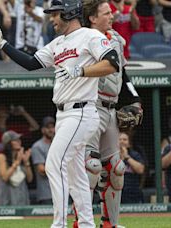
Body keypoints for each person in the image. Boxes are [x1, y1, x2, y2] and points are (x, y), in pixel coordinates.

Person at [0, 0, 120, 225]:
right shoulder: (57, 43)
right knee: (76, 174)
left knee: (53, 164)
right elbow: (30, 63)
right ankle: (86, 223)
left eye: (55, 14)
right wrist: (3, 44)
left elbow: (112, 63)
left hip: (81, 111)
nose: (51, 19)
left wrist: (81, 70)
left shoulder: (90, 36)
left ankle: (59, 223)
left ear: (68, 13)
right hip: (64, 114)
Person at [72, 0, 143, 227]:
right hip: (89, 106)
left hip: (110, 109)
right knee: (91, 167)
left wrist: (135, 99)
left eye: (112, 12)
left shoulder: (115, 40)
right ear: (93, 18)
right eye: (107, 13)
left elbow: (123, 74)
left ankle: (109, 223)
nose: (112, 16)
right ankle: (81, 222)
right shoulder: (82, 39)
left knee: (117, 168)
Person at [0, 104, 39, 191]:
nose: (2, 115)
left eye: (4, 112)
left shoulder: (13, 130)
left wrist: (23, 113)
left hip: (16, 178)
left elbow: (35, 127)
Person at [0, 130, 33, 205]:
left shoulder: (20, 157)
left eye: (19, 139)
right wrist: (17, 162)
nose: (19, 141)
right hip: (8, 197)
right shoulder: (2, 157)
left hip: (22, 196)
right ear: (8, 143)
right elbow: (5, 177)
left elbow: (30, 179)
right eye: (15, 140)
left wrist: (26, 162)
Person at [31, 116, 55, 205]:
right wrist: (61, 167)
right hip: (46, 194)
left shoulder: (59, 144)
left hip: (63, 191)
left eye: (52, 127)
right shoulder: (37, 146)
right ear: (43, 130)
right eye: (48, 127)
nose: (51, 130)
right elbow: (41, 170)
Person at [119, 132, 145, 203]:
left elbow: (140, 170)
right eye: (120, 139)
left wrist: (127, 157)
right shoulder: (112, 156)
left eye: (125, 139)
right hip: (116, 191)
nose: (122, 141)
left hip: (132, 191)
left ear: (129, 143)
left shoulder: (134, 155)